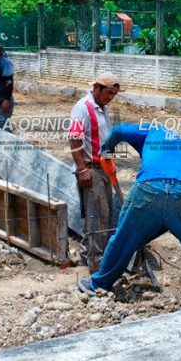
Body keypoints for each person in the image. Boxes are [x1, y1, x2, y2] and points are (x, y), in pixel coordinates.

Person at [77, 123, 181, 300]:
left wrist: (106, 150)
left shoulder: (152, 130)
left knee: (122, 238)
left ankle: (99, 285)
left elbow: (118, 130)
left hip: (150, 186)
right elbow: (177, 197)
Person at [69, 72, 121, 272]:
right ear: (97, 88)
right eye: (108, 93)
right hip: (91, 169)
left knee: (100, 215)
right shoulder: (83, 108)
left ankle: (86, 256)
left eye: (114, 95)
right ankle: (97, 266)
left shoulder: (102, 109)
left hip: (103, 168)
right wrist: (82, 169)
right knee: (98, 218)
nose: (111, 98)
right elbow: (74, 140)